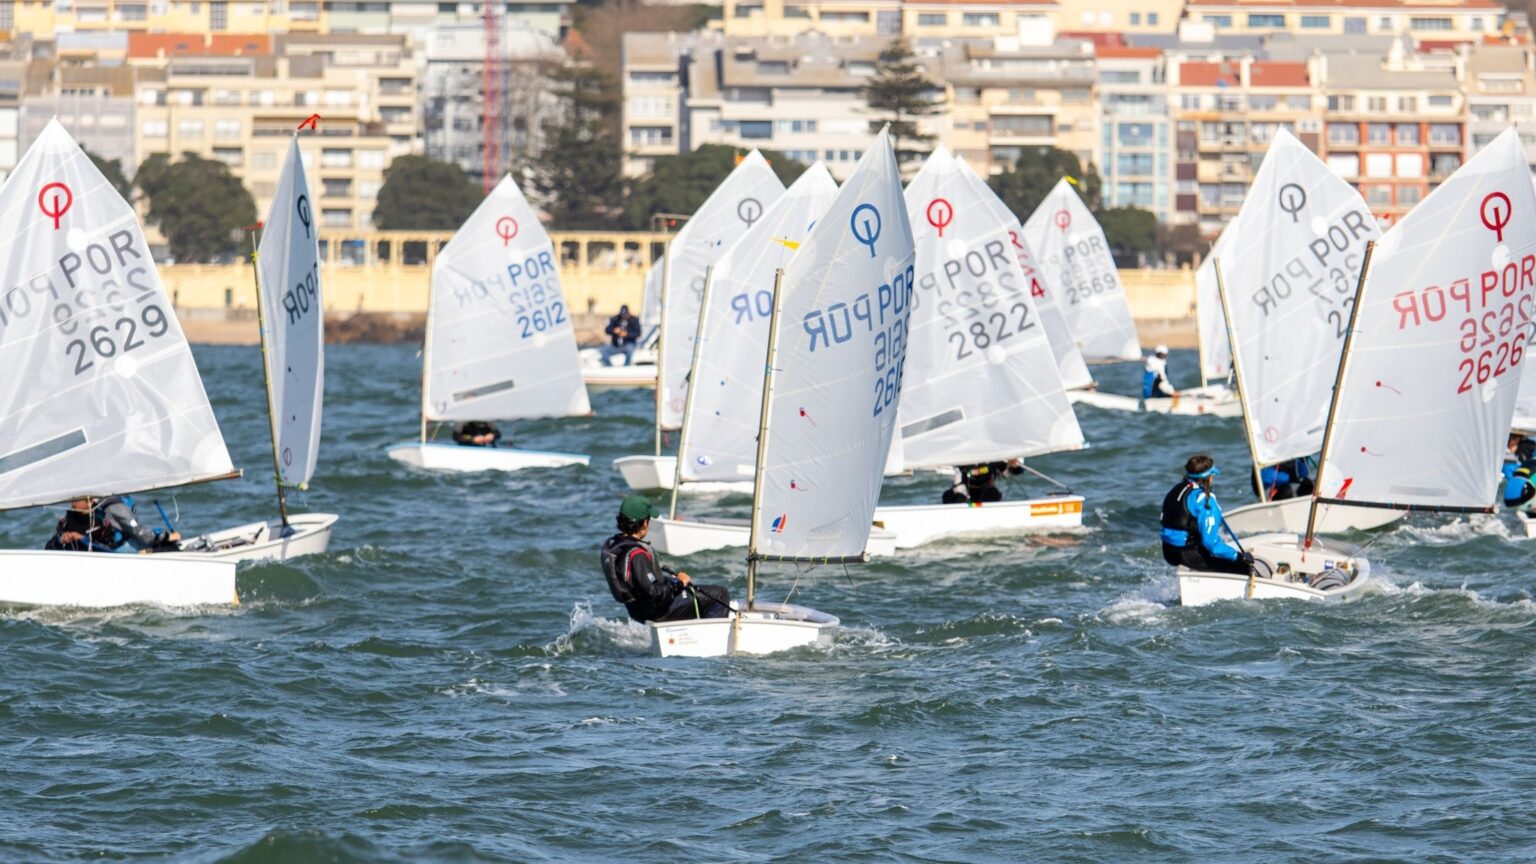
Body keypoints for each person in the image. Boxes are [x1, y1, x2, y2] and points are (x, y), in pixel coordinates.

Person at [600, 495, 733, 623]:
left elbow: (642, 583)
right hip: (656, 611)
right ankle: (709, 636)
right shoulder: (637, 554)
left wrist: (671, 581)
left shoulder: (614, 545)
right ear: (644, 523)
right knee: (720, 595)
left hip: (637, 610)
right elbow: (656, 594)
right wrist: (679, 583)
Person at [1160, 454, 1253, 575]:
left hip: (1168, 550)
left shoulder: (1177, 489)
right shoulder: (1205, 500)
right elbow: (1211, 543)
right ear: (1209, 477)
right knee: (1243, 567)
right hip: (1188, 553)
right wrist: (1238, 557)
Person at [45, 495, 182, 553]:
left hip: (119, 553)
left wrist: (164, 538)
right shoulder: (66, 521)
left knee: (163, 543)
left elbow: (138, 531)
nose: (71, 502)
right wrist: (61, 539)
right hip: (113, 553)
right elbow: (49, 547)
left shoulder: (109, 511)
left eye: (75, 499)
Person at [942, 460, 1023, 504]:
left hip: (986, 491)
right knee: (948, 496)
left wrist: (1015, 466)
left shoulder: (993, 459)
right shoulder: (963, 458)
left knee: (991, 494)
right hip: (965, 490)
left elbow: (1015, 471)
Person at [1251, 457, 1315, 501]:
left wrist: (1303, 458)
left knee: (1311, 486)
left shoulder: (1293, 451)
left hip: (1291, 486)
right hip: (1268, 490)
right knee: (1286, 491)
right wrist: (1291, 478)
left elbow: (1304, 474)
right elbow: (1266, 478)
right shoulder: (1264, 455)